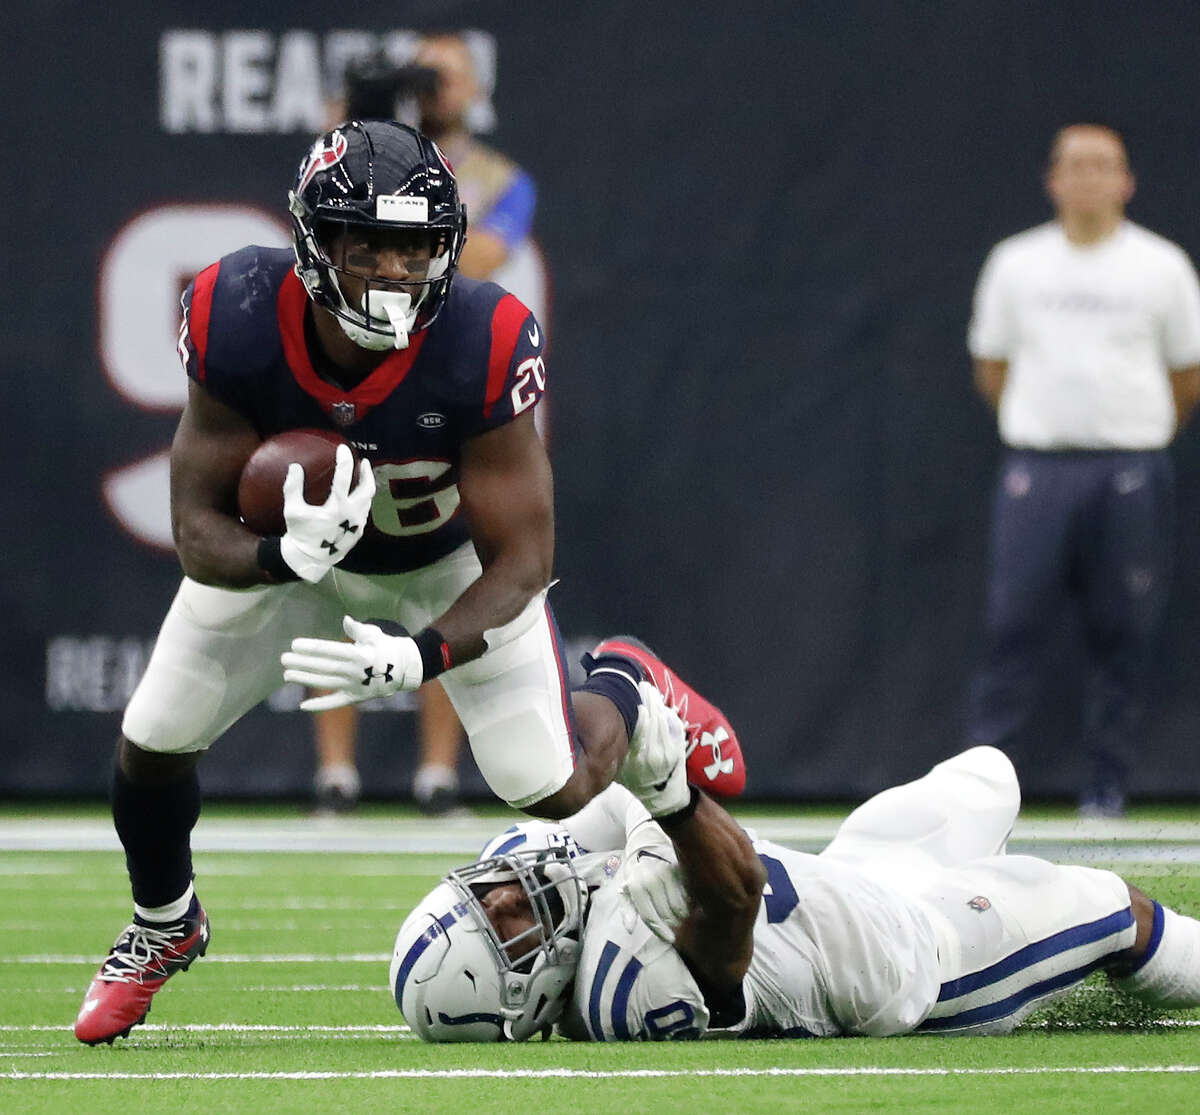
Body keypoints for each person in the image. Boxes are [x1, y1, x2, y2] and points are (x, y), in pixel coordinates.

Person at [73, 119, 744, 1046]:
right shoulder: (233, 309)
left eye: (416, 247)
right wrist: (281, 557)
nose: (395, 270)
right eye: (370, 246)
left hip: (443, 567)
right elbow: (196, 529)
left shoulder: (483, 334)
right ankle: (163, 923)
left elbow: (524, 558)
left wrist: (422, 656)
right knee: (152, 737)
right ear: (313, 245)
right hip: (300, 564)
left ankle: (628, 684)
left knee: (546, 783)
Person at [392, 742, 1200, 1042]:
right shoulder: (622, 993)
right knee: (1111, 909)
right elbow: (736, 892)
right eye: (502, 926)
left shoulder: (528, 864)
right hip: (919, 954)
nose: (508, 893)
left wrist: (636, 782)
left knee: (990, 771)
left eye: (485, 893)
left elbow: (597, 777)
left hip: (853, 877)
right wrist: (665, 809)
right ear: (523, 1001)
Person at [312, 31, 542, 816]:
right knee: (333, 563)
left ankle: (437, 773)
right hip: (353, 381)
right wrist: (357, 134)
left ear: (472, 88)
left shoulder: (500, 178)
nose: (427, 90)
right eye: (421, 78)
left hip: (452, 394)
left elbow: (472, 268)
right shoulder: (350, 158)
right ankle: (336, 774)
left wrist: (408, 211)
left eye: (441, 78)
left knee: (449, 567)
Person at [965, 123, 1200, 818]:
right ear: (1054, 179)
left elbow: (1186, 374)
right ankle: (980, 794)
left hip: (1130, 470)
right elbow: (992, 366)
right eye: (1077, 165)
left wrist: (1134, 433)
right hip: (1038, 471)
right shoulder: (1016, 264)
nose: (1091, 178)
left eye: (1105, 166)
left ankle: (1106, 789)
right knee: (1011, 627)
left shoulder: (1162, 267)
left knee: (1123, 631)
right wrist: (1048, 428)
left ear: (1126, 180)